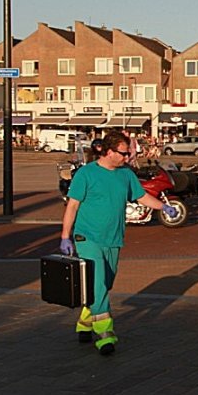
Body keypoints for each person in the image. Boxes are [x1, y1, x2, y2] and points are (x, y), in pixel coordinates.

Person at [59, 130, 169, 356]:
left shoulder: (126, 175)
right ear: (109, 152)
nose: (128, 157)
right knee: (98, 283)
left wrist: (162, 206)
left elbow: (139, 196)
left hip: (114, 238)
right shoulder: (86, 174)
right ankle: (105, 334)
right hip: (87, 237)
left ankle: (84, 322)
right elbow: (72, 206)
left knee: (104, 284)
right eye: (124, 153)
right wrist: (65, 236)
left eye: (128, 153)